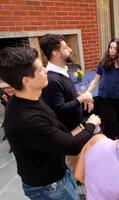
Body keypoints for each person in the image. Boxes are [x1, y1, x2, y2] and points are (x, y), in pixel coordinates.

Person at [0, 47, 101, 200]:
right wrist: (91, 125)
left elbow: (55, 115)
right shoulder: (28, 120)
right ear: (26, 80)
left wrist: (79, 97)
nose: (46, 71)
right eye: (41, 70)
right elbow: (72, 146)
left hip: (56, 172)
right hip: (49, 186)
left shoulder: (31, 97)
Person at [40, 34, 94, 131]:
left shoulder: (63, 69)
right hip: (70, 130)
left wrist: (80, 95)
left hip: (78, 121)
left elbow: (65, 93)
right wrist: (82, 98)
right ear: (56, 54)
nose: (70, 50)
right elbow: (60, 109)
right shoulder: (52, 80)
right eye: (65, 48)